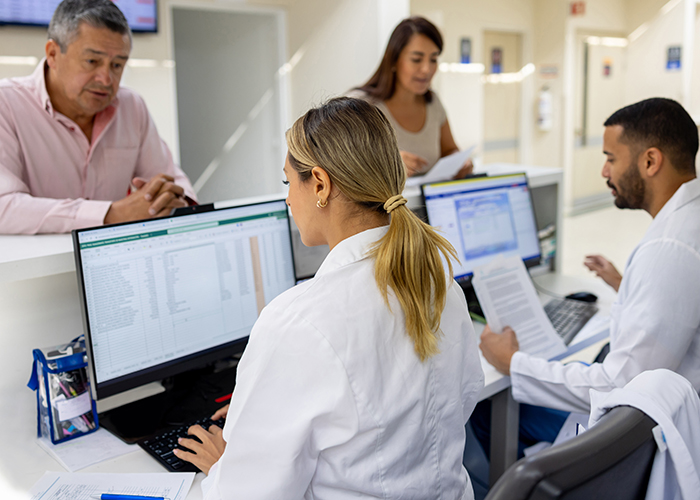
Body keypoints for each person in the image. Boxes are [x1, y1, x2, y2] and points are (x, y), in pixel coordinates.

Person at [172, 97, 485, 499]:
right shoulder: (436, 277)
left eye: (289, 183)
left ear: (319, 184)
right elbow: (454, 399)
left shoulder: (299, 322)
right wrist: (267, 410)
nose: (287, 199)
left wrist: (226, 467)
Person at [476, 97, 700, 456]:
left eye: (611, 158)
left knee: (486, 410)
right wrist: (625, 286)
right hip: (660, 405)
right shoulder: (687, 220)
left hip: (645, 432)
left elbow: (620, 384)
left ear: (650, 161)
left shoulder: (669, 247)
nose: (604, 171)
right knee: (577, 364)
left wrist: (512, 363)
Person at [0, 0, 196, 234]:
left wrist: (171, 200)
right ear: (53, 54)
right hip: (36, 269)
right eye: (92, 61)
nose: (106, 79)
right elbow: (4, 207)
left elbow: (174, 181)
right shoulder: (7, 104)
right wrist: (111, 214)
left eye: (116, 65)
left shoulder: (131, 106)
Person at [348, 16, 473, 178]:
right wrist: (387, 163)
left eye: (433, 59)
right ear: (393, 60)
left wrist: (459, 161)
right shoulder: (359, 105)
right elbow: (338, 163)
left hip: (428, 201)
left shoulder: (433, 103)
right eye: (416, 59)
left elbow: (449, 149)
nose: (427, 69)